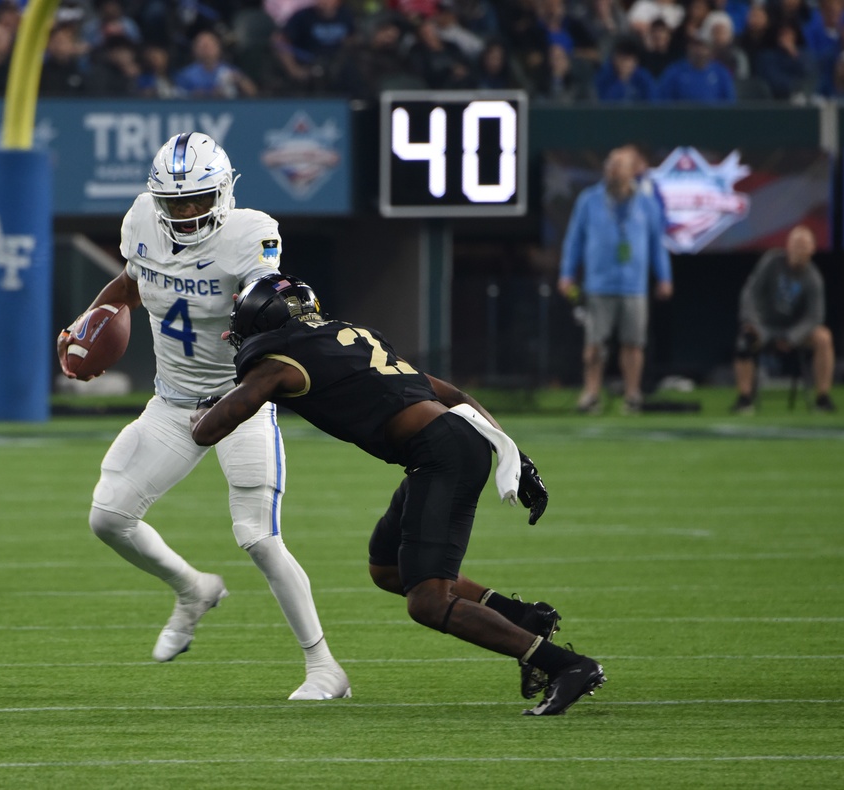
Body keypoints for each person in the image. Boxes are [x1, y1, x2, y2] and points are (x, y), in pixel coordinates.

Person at [190, 274, 606, 716]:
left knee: (428, 600)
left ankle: (566, 665)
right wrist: (515, 454)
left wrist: (198, 413)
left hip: (440, 454)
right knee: (388, 568)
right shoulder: (346, 337)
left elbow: (208, 431)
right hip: (445, 446)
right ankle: (524, 618)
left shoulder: (279, 363)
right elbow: (457, 395)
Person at [56, 132, 351, 701]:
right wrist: (90, 320)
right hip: (171, 403)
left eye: (197, 200)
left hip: (236, 402)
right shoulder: (142, 219)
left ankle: (324, 668)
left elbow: (267, 296)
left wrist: (267, 310)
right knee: (108, 517)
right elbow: (131, 281)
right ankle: (193, 589)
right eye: (175, 202)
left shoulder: (249, 234)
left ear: (223, 193)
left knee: (259, 538)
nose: (186, 212)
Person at [558, 146, 673, 414]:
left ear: (632, 171)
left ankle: (633, 395)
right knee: (595, 343)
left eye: (619, 166)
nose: (612, 170)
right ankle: (591, 394)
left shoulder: (646, 202)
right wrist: (567, 274)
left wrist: (664, 277)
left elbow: (657, 243)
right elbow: (574, 240)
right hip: (599, 283)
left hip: (633, 285)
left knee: (633, 343)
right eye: (610, 165)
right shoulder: (590, 199)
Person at [732, 224, 836, 414]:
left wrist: (792, 337)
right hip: (764, 326)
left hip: (794, 331)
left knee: (824, 337)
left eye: (804, 246)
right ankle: (745, 398)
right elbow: (750, 294)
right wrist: (755, 325)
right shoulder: (771, 262)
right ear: (787, 246)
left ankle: (822, 398)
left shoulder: (813, 278)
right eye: (796, 245)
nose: (800, 250)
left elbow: (815, 316)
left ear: (813, 249)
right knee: (745, 339)